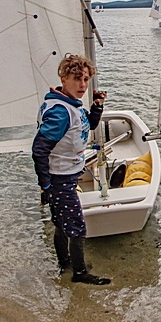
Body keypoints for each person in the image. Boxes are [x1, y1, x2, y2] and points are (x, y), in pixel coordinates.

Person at [32, 54, 110, 285]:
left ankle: (64, 263)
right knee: (77, 227)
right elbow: (39, 150)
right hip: (60, 178)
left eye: (86, 79)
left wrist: (97, 106)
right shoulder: (60, 113)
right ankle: (79, 273)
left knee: (61, 223)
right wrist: (45, 186)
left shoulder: (69, 105)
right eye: (77, 79)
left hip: (64, 176)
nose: (83, 85)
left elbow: (89, 124)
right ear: (64, 79)